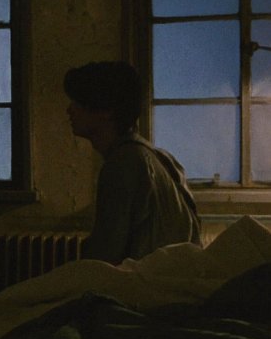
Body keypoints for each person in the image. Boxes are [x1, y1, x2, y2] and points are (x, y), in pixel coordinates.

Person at [64, 61, 201, 265]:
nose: (69, 110)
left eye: (78, 102)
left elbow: (104, 256)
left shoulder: (124, 163)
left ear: (106, 111)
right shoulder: (157, 156)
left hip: (148, 281)